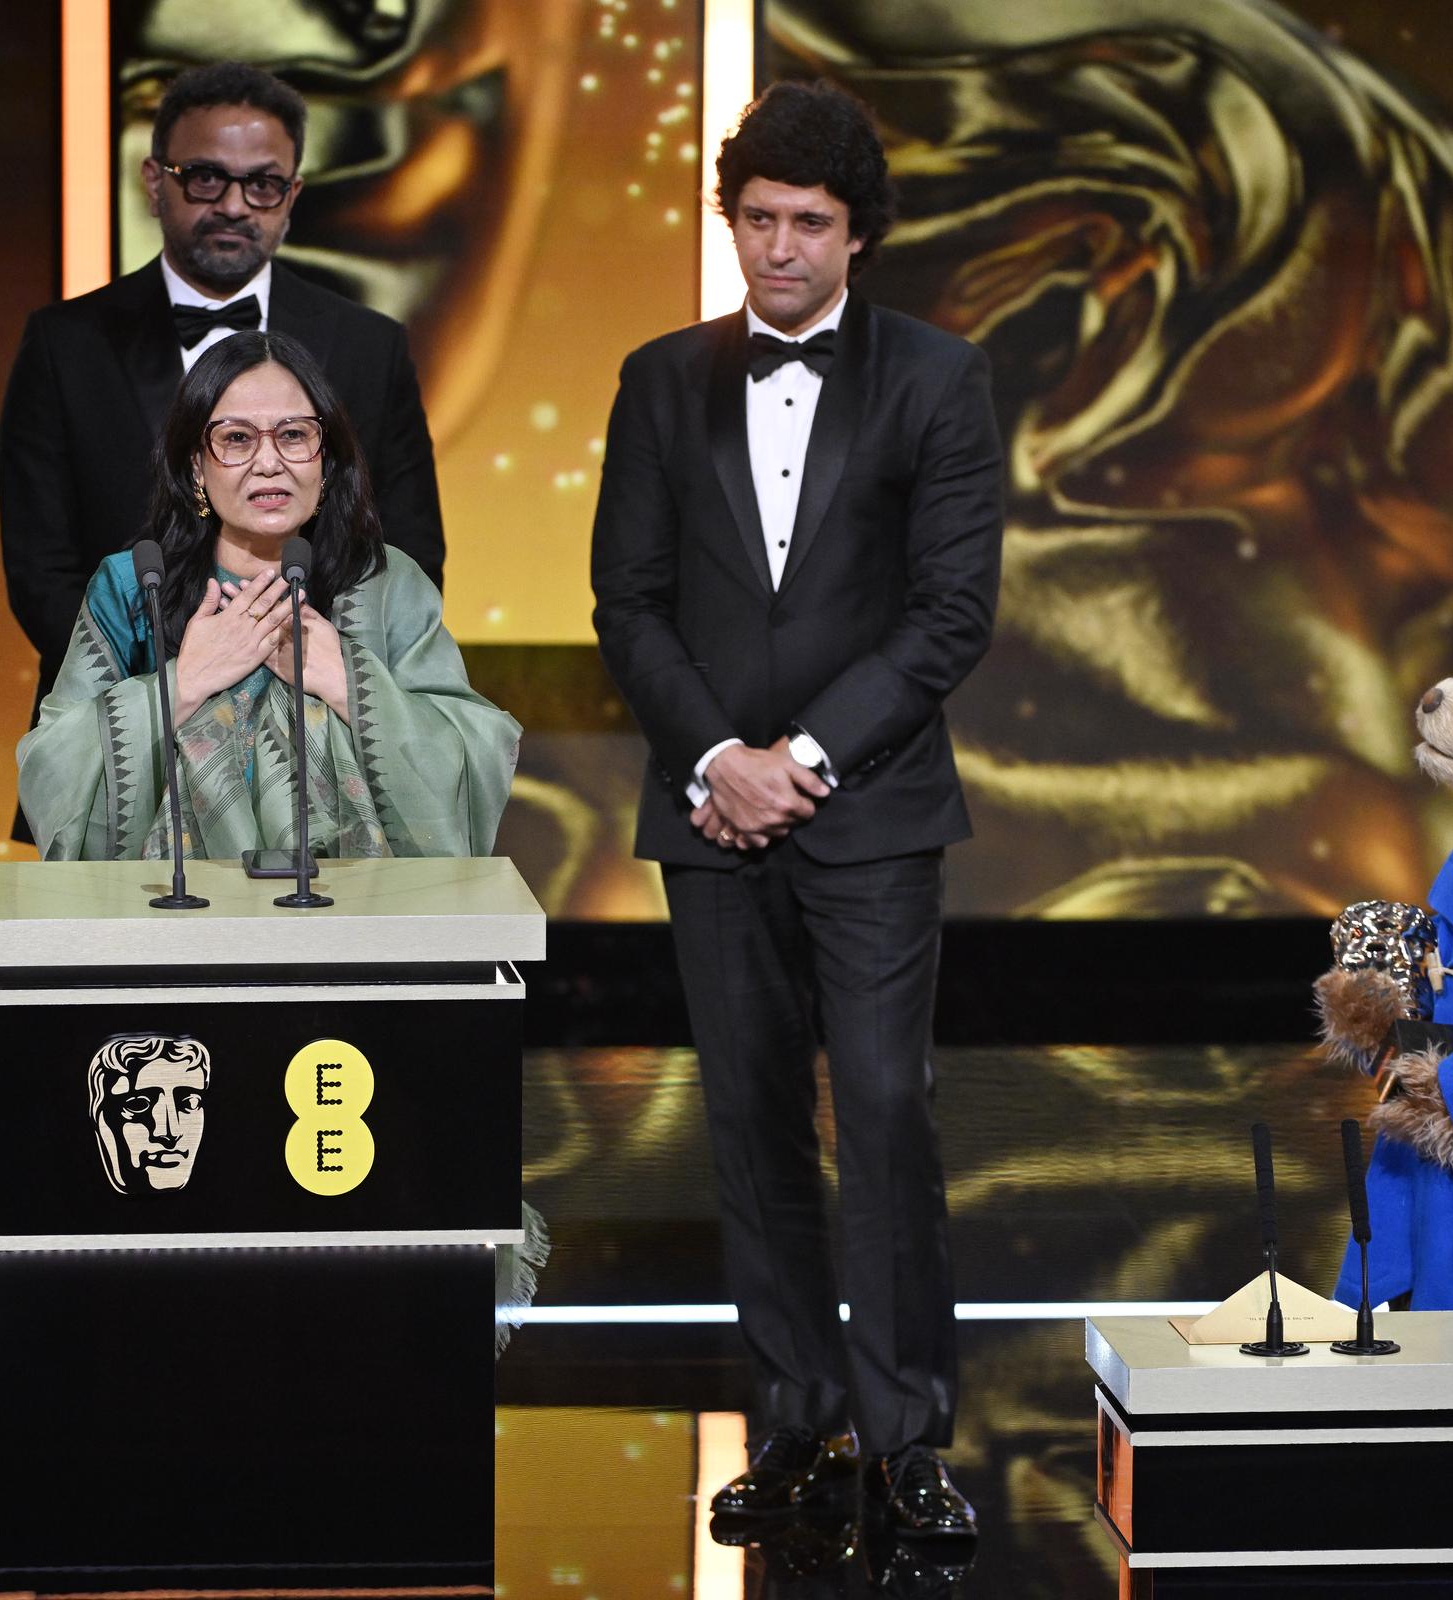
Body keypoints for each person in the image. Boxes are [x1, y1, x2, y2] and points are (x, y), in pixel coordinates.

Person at [589, 81, 1003, 1537]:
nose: (778, 249)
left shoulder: (936, 380)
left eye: (807, 225)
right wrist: (719, 762)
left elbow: (952, 614)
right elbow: (626, 604)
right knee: (754, 1118)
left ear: (860, 234)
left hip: (871, 811)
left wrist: (804, 760)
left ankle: (907, 1439)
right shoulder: (660, 380)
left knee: (885, 1111)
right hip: (710, 817)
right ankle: (796, 1422)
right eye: (756, 219)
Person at [0, 60, 445, 838]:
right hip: (122, 755)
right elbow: (40, 567)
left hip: (328, 759)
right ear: (154, 180)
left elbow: (409, 548)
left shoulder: (369, 346)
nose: (235, 204)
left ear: (293, 195)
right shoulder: (64, 343)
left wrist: (298, 677)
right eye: (205, 178)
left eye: (263, 184)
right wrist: (189, 677)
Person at [17, 331, 512, 861]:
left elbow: (475, 753)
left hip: (354, 921)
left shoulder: (385, 582)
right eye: (236, 439)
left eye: (294, 435)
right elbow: (51, 769)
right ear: (194, 468)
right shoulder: (136, 586)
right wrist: (181, 686)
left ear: (327, 461)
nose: (269, 462)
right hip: (170, 919)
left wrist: (351, 685)